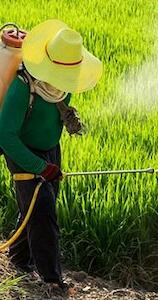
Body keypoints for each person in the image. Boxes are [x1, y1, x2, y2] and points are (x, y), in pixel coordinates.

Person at [0, 19, 102, 292]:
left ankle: (19, 259)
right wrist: (39, 167)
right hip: (22, 149)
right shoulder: (23, 85)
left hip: (50, 149)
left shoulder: (63, 83)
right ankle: (52, 280)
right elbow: (5, 136)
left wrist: (66, 115)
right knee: (43, 211)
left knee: (37, 205)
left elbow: (53, 104)